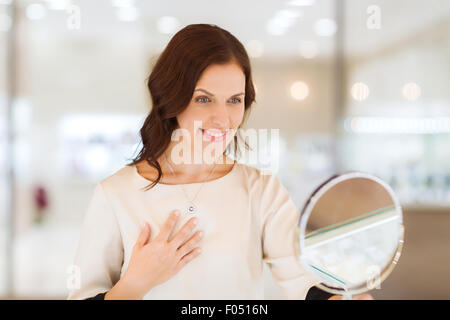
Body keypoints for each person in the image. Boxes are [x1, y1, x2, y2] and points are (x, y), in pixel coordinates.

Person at [67, 24, 371, 300]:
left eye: (234, 100)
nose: (222, 119)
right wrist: (135, 284)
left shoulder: (261, 190)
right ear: (170, 98)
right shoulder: (116, 193)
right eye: (203, 99)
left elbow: (304, 280)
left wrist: (341, 298)